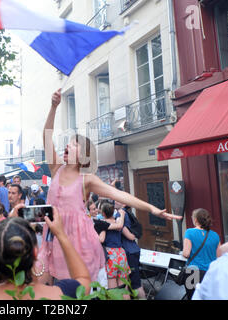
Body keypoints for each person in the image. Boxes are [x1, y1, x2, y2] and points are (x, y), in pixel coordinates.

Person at [36, 89, 181, 284]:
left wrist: (152, 208)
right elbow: (46, 136)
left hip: (75, 242)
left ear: (84, 154)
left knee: (71, 291)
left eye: (74, 144)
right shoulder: (56, 169)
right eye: (68, 143)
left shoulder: (87, 179)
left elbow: (120, 195)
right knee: (40, 285)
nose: (68, 146)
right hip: (51, 237)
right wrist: (53, 107)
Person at [0, 206, 91, 300]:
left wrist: (4, 227)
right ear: (35, 252)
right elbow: (84, 279)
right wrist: (61, 234)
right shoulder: (60, 294)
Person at [182, 208, 221, 299]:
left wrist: (182, 252)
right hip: (210, 272)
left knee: (192, 297)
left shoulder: (189, 232)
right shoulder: (215, 235)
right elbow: (219, 256)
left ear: (195, 220)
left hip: (193, 271)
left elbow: (186, 253)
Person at [98, 203, 130, 295]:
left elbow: (101, 239)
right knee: (124, 289)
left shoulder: (102, 223)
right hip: (121, 253)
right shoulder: (118, 221)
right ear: (113, 212)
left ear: (103, 213)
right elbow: (120, 224)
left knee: (113, 291)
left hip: (110, 255)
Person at [120, 205, 145, 299]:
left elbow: (131, 236)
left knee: (134, 284)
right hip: (133, 250)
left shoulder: (121, 214)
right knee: (135, 282)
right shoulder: (127, 212)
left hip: (128, 252)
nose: (113, 201)